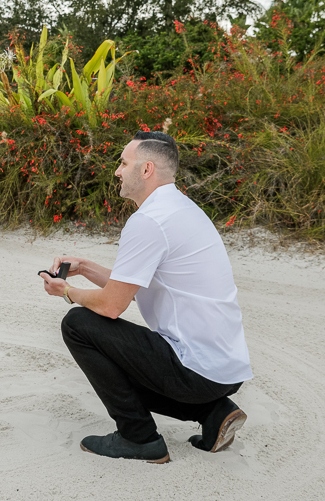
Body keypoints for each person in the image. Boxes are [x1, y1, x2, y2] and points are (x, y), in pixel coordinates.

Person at [39, 130, 252, 463]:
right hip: (224, 369)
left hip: (197, 370)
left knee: (79, 324)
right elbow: (135, 287)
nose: (117, 171)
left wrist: (66, 291)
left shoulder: (149, 221)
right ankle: (214, 412)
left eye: (124, 163)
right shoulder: (180, 209)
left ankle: (138, 438)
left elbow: (112, 305)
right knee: (120, 346)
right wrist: (84, 267)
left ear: (147, 169)